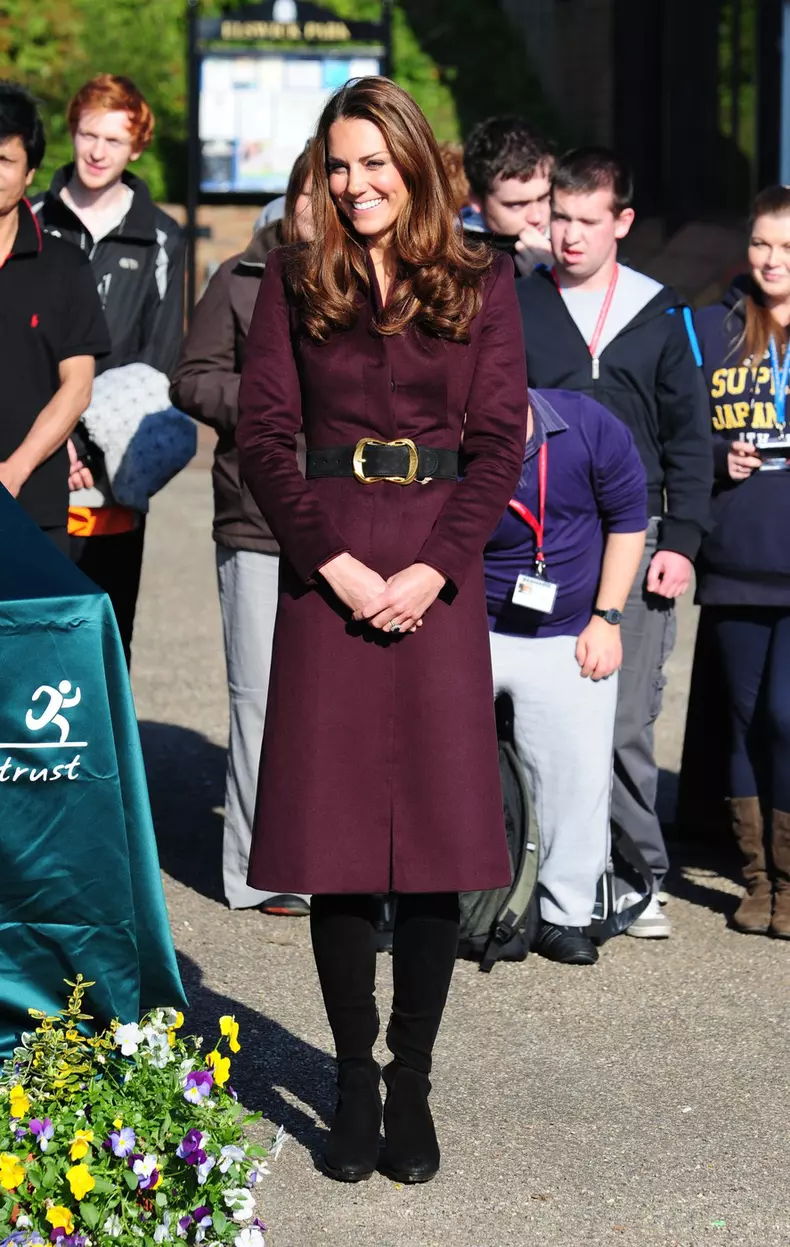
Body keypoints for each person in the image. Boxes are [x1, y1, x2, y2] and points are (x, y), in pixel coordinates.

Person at [236, 77, 527, 1185]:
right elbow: (265, 436)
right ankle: (352, 1075)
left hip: (436, 575)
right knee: (339, 848)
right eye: (339, 164)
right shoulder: (293, 279)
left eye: (374, 162)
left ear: (411, 162)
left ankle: (412, 1077)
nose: (355, 184)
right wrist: (342, 564)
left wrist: (430, 567)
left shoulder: (479, 279)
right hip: (330, 571)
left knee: (439, 848)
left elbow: (498, 441)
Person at [517, 148, 712, 937]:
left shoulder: (660, 313)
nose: (569, 236)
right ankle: (537, 867)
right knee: (534, 710)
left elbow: (688, 434)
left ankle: (636, 872)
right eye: (559, 218)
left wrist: (684, 538)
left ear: (621, 223)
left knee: (626, 718)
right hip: (539, 538)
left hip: (642, 537)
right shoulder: (519, 303)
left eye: (587, 222)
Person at [171, 145, 314, 918]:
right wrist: (270, 402)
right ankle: (265, 870)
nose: (322, 209)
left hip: (348, 521)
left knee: (333, 697)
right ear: (288, 202)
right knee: (260, 697)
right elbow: (190, 377)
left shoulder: (370, 283)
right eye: (311, 195)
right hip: (256, 517)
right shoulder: (240, 278)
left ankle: (337, 855)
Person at [486, 389, 647, 964]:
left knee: (576, 775)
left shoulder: (587, 424)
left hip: (570, 629)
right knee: (430, 765)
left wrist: (607, 618)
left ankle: (566, 912)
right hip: (466, 624)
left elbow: (630, 518)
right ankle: (437, 903)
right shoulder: (437, 430)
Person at [33, 74, 185, 662]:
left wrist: (88, 442)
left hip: (113, 469)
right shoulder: (32, 219)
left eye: (114, 141)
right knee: (31, 629)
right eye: (88, 134)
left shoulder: (162, 240)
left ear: (137, 147)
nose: (97, 151)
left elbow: (161, 362)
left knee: (105, 635)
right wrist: (56, 434)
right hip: (30, 455)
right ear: (72, 133)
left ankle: (105, 757)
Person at [694, 185, 790, 939]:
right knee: (745, 722)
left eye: (786, 247)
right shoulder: (711, 331)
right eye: (762, 243)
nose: (771, 260)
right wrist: (721, 458)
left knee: (787, 717)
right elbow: (681, 439)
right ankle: (758, 878)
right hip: (737, 557)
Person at [0, 82, 109, 554]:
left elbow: (77, 386)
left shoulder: (65, 265)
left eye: (4, 161)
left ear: (30, 173)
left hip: (33, 506)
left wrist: (14, 471)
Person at [462, 114, 554, 272]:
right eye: (517, 205)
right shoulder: (451, 258)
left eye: (544, 198)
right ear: (476, 200)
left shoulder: (578, 239)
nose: (536, 217)